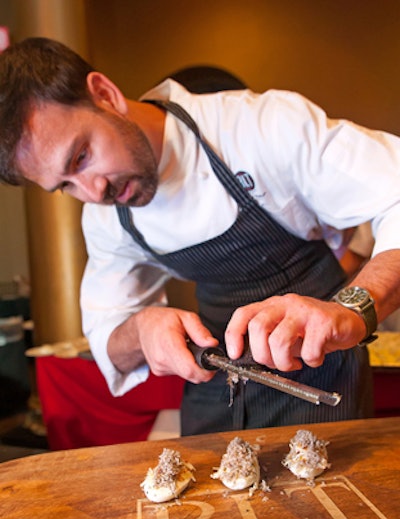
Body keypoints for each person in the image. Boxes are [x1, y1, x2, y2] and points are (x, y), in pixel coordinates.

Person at [1, 37, 400, 436]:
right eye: (65, 185)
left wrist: (351, 310)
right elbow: (107, 335)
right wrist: (141, 330)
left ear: (105, 94)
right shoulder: (108, 217)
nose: (93, 191)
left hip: (317, 369)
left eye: (81, 157)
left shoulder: (258, 127)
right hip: (214, 383)